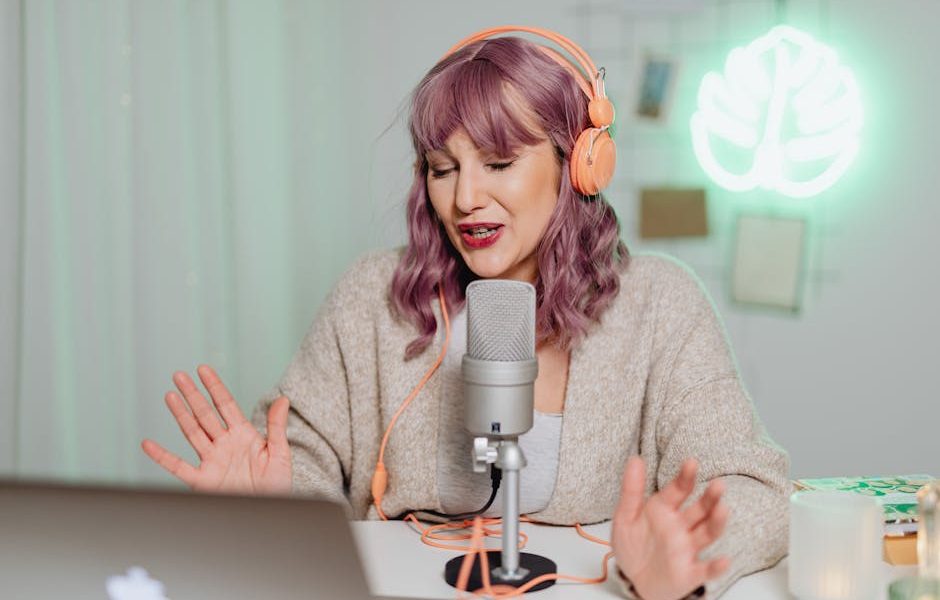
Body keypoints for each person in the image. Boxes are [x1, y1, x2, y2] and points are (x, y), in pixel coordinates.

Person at [141, 27, 789, 600]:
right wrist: (274, 508)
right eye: (442, 168)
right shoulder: (372, 297)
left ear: (577, 166)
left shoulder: (659, 304)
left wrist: (684, 561)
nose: (465, 198)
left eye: (499, 163)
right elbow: (302, 457)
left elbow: (752, 488)